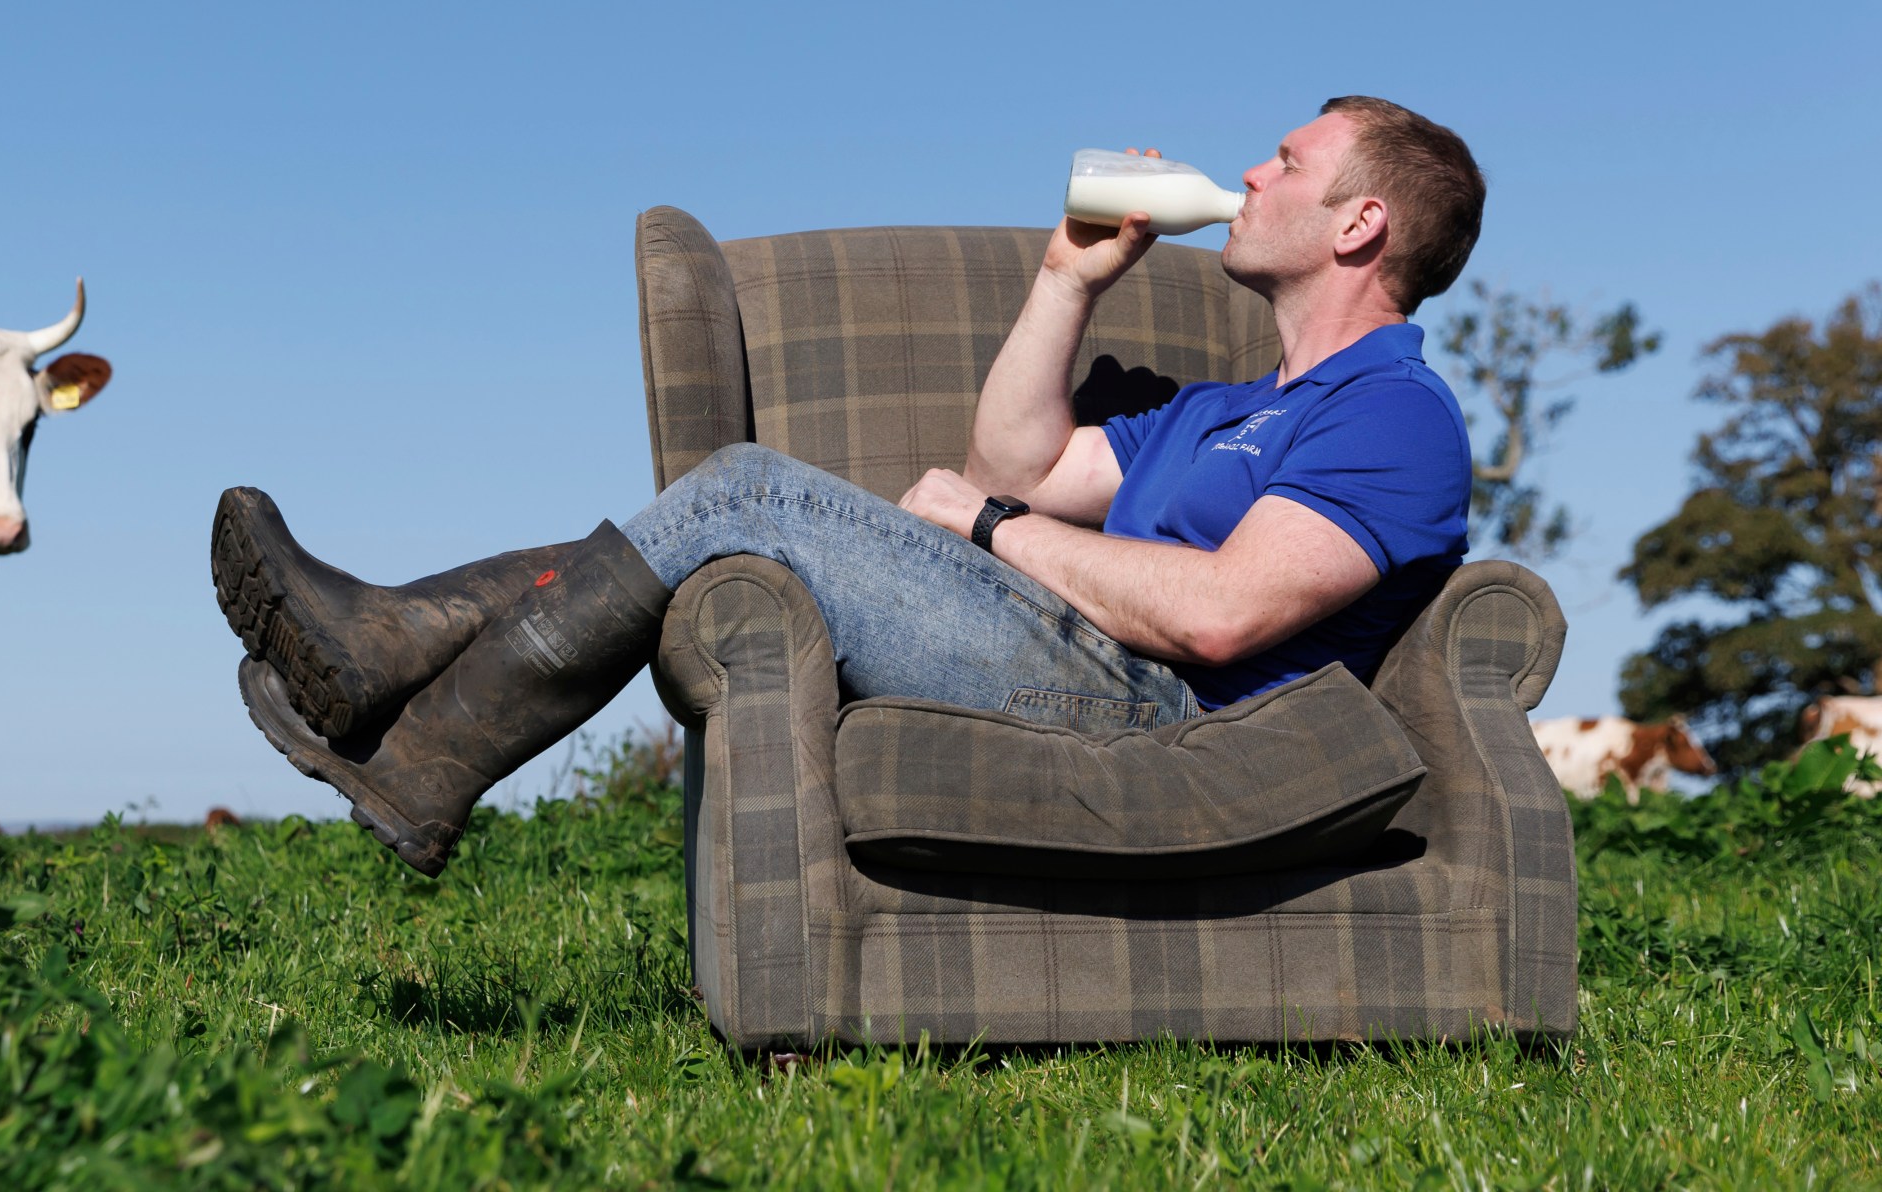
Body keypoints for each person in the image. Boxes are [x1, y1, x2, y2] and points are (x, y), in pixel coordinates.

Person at [212, 95, 1483, 876]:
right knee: (734, 508)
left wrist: (994, 533)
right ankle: (398, 682)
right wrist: (1068, 282)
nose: (1252, 175)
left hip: (1172, 715)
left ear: (1360, 224)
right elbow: (1021, 465)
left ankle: (410, 714)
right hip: (1088, 655)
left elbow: (1219, 616)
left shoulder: (1392, 417)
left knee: (748, 491)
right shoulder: (1227, 411)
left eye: (1285, 162)